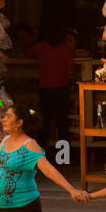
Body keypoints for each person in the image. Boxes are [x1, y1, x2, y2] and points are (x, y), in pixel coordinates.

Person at [26, 26, 76, 164]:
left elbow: (27, 53)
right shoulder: (65, 50)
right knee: (61, 126)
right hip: (61, 90)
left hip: (46, 91)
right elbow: (70, 71)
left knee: (43, 125)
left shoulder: (41, 47)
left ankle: (42, 158)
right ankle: (63, 159)